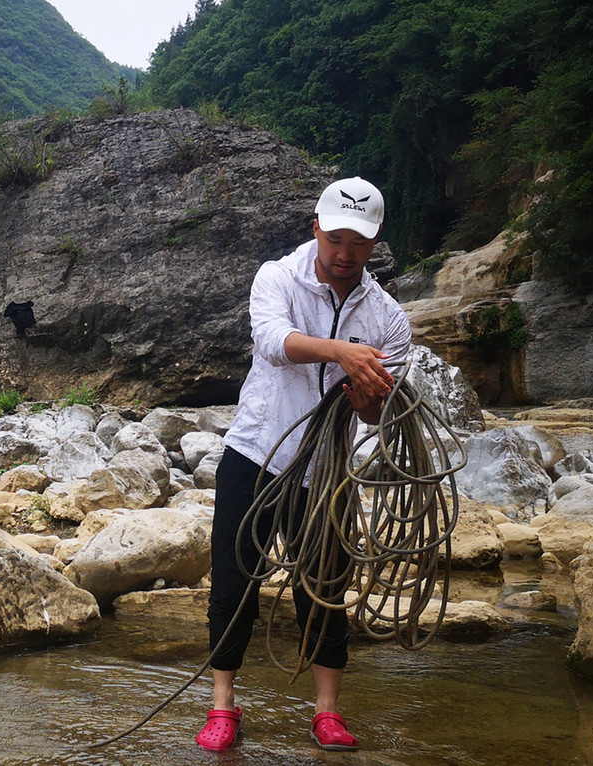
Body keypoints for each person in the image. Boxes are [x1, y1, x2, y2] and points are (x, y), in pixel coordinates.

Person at [197, 176, 412, 752]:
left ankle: (327, 712)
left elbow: (379, 414)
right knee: (235, 582)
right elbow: (272, 341)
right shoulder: (277, 277)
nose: (345, 254)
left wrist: (369, 398)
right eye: (336, 238)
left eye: (359, 243)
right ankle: (223, 707)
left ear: (375, 243)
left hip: (328, 471)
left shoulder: (389, 318)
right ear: (315, 229)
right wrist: (340, 352)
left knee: (324, 588)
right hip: (255, 455)